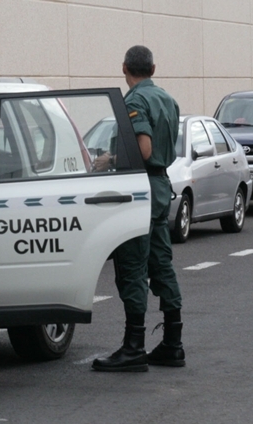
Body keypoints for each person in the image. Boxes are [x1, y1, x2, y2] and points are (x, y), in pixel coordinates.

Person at [92, 45, 185, 372]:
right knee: (161, 263)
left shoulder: (134, 101)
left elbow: (143, 149)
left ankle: (133, 348)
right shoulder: (167, 99)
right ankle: (173, 344)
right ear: (154, 68)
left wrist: (110, 160)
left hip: (140, 189)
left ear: (124, 68)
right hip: (161, 187)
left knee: (132, 265)